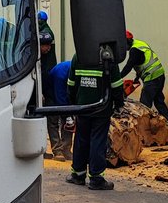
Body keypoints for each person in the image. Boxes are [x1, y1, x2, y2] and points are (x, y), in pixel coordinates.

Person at [65, 48, 125, 191]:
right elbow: (116, 85)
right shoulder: (108, 57)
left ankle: (78, 175)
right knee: (97, 141)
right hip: (101, 109)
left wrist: (74, 103)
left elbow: (71, 84)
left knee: (81, 139)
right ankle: (96, 178)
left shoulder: (78, 56)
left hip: (82, 107)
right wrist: (119, 103)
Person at [120, 29, 168, 124]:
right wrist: (137, 77)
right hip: (159, 74)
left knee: (144, 104)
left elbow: (128, 66)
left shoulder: (134, 51)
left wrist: (118, 78)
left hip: (152, 77)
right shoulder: (139, 44)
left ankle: (144, 127)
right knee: (158, 100)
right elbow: (143, 62)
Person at [37, 11, 63, 159]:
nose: (47, 48)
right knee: (43, 117)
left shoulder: (45, 33)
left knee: (51, 116)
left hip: (48, 83)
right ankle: (52, 148)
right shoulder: (43, 32)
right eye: (44, 46)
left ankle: (59, 148)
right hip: (43, 83)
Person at [48, 58, 74, 159]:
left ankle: (66, 149)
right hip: (52, 94)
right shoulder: (60, 74)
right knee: (53, 121)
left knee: (68, 123)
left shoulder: (77, 71)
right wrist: (67, 114)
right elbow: (60, 96)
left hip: (65, 92)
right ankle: (57, 149)